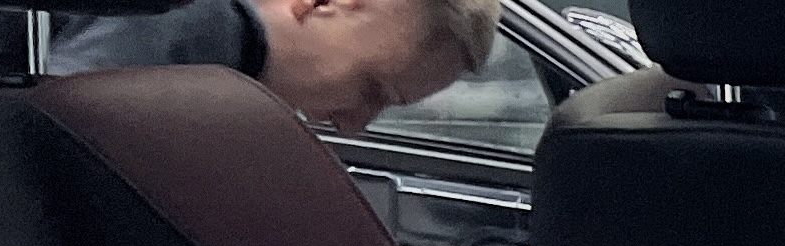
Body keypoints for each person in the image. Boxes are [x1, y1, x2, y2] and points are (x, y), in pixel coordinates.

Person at [43, 0, 495, 133]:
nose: (353, 125)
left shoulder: (230, 89)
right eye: (371, 90)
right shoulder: (191, 35)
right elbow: (55, 135)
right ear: (321, 3)